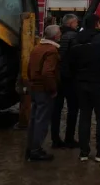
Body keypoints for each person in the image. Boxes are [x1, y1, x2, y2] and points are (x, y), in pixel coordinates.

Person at [69, 14, 100, 162]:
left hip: (81, 84)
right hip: (99, 83)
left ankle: (84, 152)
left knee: (84, 117)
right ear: (97, 24)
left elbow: (70, 63)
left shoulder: (77, 39)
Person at [26, 24, 62, 162]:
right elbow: (47, 72)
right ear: (54, 36)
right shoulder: (51, 51)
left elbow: (30, 68)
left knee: (34, 119)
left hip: (34, 87)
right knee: (42, 120)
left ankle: (30, 147)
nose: (60, 35)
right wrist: (53, 89)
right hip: (44, 90)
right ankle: (36, 150)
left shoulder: (37, 48)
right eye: (59, 33)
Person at [51, 13, 80, 148]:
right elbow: (75, 57)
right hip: (70, 78)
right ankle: (69, 138)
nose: (77, 25)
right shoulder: (74, 36)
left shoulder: (57, 36)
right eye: (75, 23)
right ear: (70, 24)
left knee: (56, 109)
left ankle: (55, 139)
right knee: (73, 109)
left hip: (57, 77)